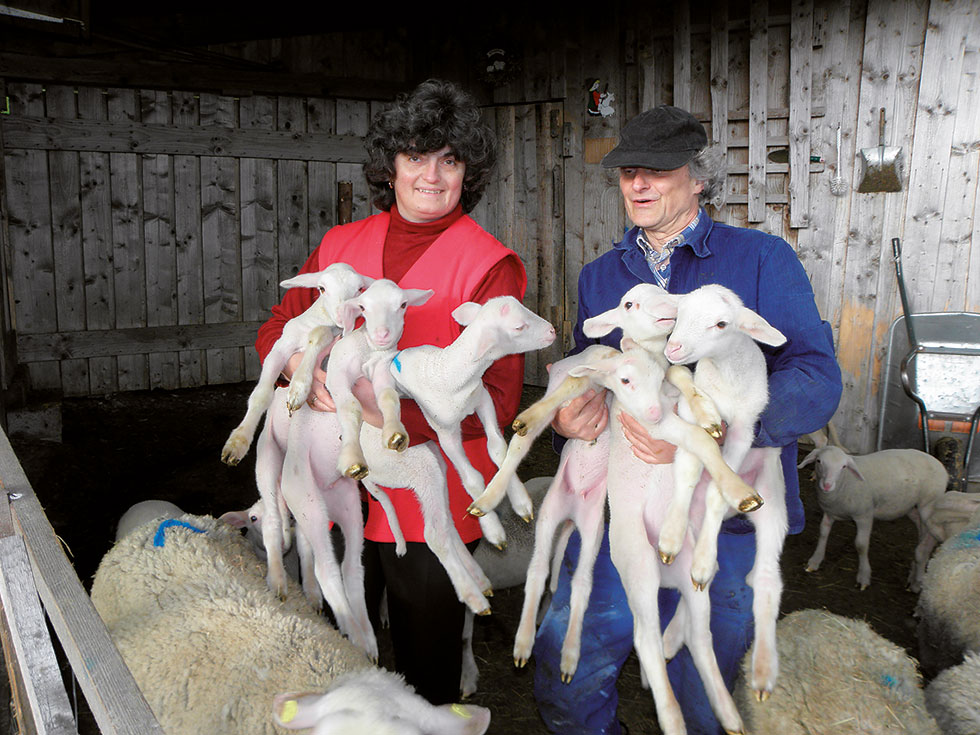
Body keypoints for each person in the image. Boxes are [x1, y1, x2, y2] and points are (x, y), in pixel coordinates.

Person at [531, 105, 843, 735]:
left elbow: (815, 376)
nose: (638, 184)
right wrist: (568, 406)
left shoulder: (760, 260)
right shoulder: (602, 278)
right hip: (631, 510)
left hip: (725, 525)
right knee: (569, 664)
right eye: (627, 173)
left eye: (658, 171)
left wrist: (721, 427)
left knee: (704, 688)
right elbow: (581, 364)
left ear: (698, 179)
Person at [254, 78, 527, 705]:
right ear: (391, 166)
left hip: (429, 483)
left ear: (468, 172)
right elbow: (279, 324)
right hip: (334, 476)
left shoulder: (489, 263)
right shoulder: (341, 247)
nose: (431, 176)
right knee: (339, 644)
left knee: (424, 654)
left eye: (449, 160)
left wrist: (390, 417)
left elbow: (501, 399)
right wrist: (303, 367)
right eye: (415, 156)